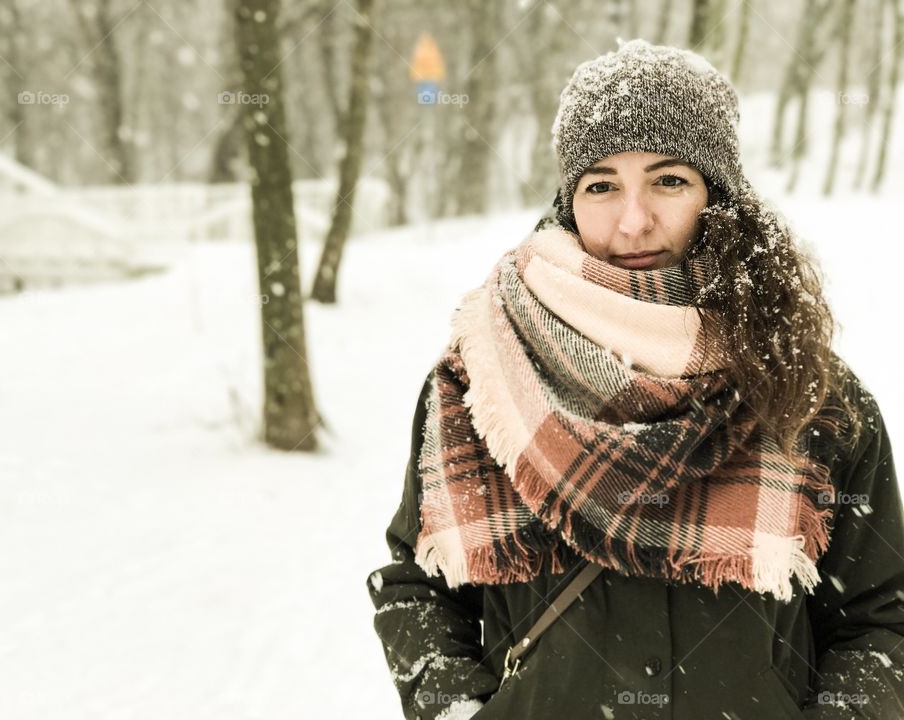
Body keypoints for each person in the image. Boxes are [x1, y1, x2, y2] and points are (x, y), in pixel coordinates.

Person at [366, 39, 904, 720]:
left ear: (720, 192)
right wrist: (459, 711)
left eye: (668, 180)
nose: (633, 219)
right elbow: (418, 583)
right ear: (569, 200)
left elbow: (878, 619)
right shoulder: (483, 379)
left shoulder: (809, 394)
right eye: (602, 186)